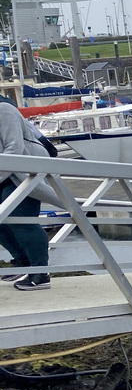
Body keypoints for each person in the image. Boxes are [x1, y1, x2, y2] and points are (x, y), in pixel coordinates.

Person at [0, 96, 52, 290]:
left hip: (24, 173)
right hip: (5, 174)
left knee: (22, 220)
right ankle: (23, 262)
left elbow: (14, 148)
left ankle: (40, 274)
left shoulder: (4, 109)